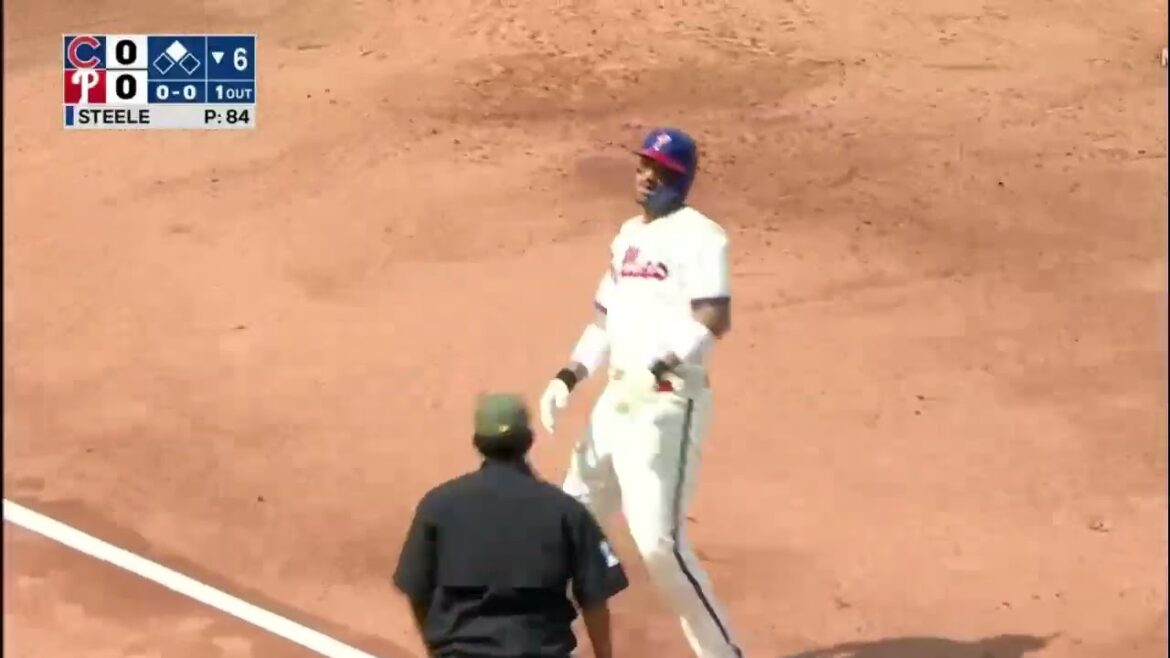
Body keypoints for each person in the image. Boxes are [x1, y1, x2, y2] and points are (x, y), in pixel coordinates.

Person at [537, 127, 745, 658]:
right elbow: (603, 321)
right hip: (615, 402)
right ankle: (528, 640)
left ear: (683, 179)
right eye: (644, 165)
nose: (649, 176)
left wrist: (666, 359)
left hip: (666, 404)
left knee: (659, 545)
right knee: (569, 523)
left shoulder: (703, 236)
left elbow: (713, 316)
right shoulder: (627, 236)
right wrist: (569, 376)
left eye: (664, 171)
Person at [392, 393, 629, 658]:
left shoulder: (437, 506)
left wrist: (437, 650)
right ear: (528, 440)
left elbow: (417, 590)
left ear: (477, 443)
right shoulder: (565, 510)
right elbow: (594, 597)